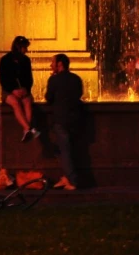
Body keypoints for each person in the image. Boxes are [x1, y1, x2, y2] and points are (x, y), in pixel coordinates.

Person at [45, 54, 84, 191]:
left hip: (61, 119)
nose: (51, 65)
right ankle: (66, 177)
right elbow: (79, 95)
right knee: (70, 150)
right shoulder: (76, 78)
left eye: (52, 62)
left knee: (64, 150)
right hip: (76, 119)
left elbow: (48, 98)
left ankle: (73, 181)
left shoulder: (54, 80)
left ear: (59, 64)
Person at [0, 36, 40, 142]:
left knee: (27, 101)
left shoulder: (26, 61)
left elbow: (29, 78)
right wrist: (13, 90)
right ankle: (29, 129)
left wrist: (26, 90)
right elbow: (3, 79)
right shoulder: (5, 60)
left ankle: (26, 130)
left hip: (23, 90)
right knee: (15, 103)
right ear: (19, 47)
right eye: (25, 48)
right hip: (8, 91)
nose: (26, 50)